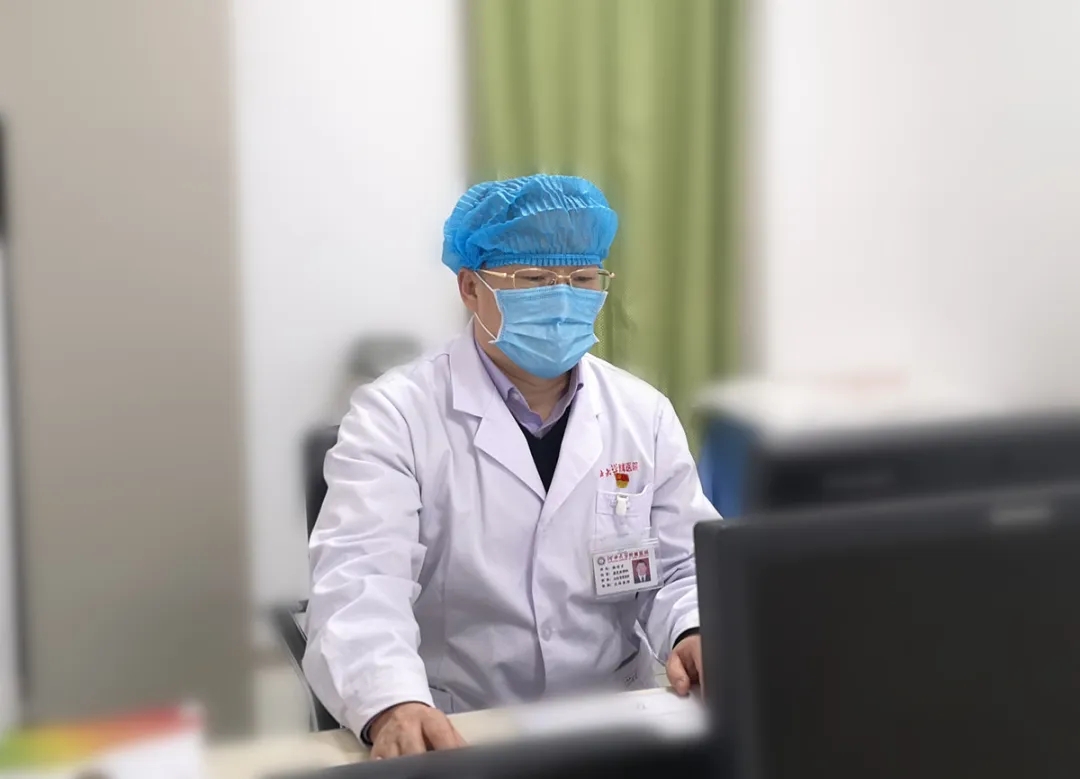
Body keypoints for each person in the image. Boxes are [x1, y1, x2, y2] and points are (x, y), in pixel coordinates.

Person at [303, 174, 720, 759]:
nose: (563, 298)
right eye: (534, 280)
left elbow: (682, 565)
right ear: (470, 288)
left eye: (582, 279)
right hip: (463, 728)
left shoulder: (642, 414)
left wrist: (694, 629)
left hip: (614, 721)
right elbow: (362, 579)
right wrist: (394, 702)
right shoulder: (394, 415)